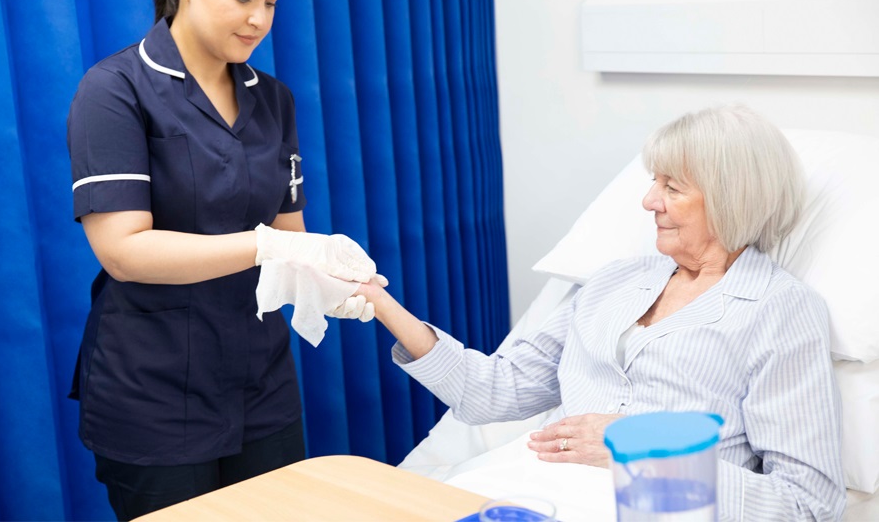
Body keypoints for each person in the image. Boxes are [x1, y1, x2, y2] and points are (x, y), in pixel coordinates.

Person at [355, 105, 846, 521]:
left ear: (731, 200)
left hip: (654, 507)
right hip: (522, 488)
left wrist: (641, 452)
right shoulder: (613, 282)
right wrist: (379, 300)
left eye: (672, 189)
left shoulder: (779, 310)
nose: (649, 200)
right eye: (655, 182)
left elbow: (807, 500)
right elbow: (494, 392)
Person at [66, 0, 379, 519]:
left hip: (260, 383)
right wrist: (269, 249)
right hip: (153, 389)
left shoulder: (273, 99)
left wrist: (332, 279)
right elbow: (124, 251)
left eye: (271, 3)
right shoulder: (115, 90)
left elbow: (292, 236)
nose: (258, 19)